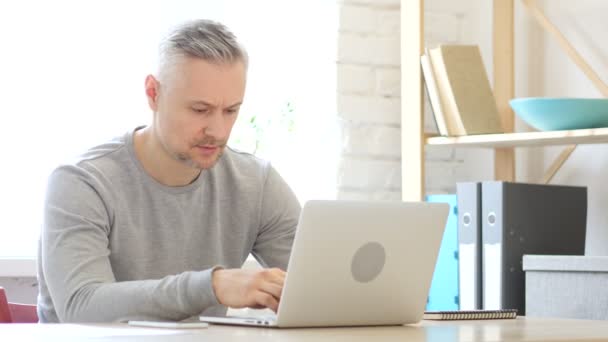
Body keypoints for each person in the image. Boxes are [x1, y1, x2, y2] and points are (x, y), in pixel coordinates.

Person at [37, 19, 301, 323]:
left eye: (231, 110)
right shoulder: (81, 182)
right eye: (199, 110)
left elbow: (319, 286)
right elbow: (81, 307)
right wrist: (211, 285)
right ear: (153, 93)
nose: (217, 130)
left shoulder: (256, 183)